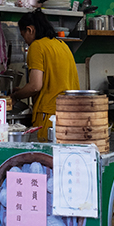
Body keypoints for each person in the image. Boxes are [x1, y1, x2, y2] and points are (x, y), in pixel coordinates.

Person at [9, 9, 80, 141]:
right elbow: (53, 81)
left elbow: (35, 86)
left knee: (46, 157)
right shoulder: (62, 45)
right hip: (70, 114)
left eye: (23, 35)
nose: (25, 41)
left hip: (49, 116)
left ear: (30, 30)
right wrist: (24, 91)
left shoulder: (37, 46)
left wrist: (15, 96)